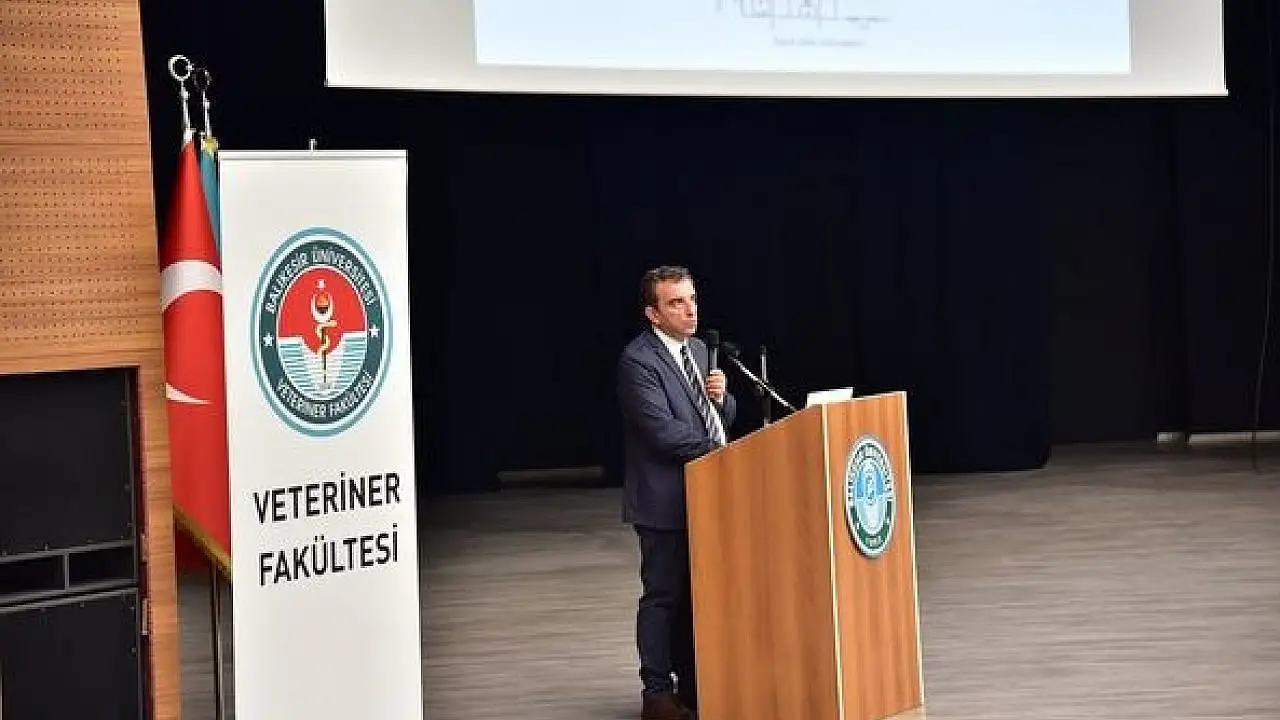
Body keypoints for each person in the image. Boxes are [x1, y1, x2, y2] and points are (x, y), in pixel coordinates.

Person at [616, 265, 738, 720]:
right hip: (663, 500)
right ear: (653, 313)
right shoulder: (638, 361)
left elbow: (715, 419)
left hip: (706, 497)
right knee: (663, 597)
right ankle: (656, 694)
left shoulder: (700, 350)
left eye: (692, 299)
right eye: (676, 302)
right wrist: (722, 452)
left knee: (697, 596)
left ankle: (693, 685)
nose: (690, 310)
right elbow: (662, 433)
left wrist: (723, 400)